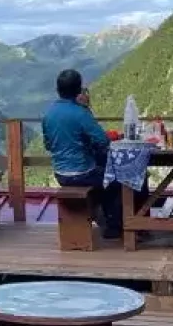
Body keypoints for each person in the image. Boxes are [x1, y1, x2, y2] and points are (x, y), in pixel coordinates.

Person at [43, 69, 122, 239]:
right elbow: (103, 141)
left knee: (103, 179)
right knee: (116, 179)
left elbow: (48, 145)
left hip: (60, 174)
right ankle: (113, 226)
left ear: (58, 89)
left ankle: (100, 216)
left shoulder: (48, 114)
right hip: (82, 173)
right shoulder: (80, 113)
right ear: (79, 90)